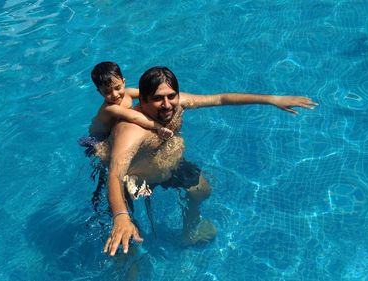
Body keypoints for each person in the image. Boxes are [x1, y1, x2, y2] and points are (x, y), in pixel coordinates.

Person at [100, 66, 318, 256]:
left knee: (201, 189)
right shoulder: (131, 131)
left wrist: (272, 99)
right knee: (126, 237)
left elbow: (220, 98)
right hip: (133, 177)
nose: (167, 105)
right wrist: (121, 216)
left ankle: (189, 232)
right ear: (144, 99)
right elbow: (115, 174)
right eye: (158, 99)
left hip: (163, 162)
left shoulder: (178, 104)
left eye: (171, 96)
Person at [83, 61, 173, 149]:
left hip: (114, 128)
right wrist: (159, 127)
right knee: (102, 157)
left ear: (123, 82)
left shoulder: (128, 93)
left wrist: (168, 96)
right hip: (99, 138)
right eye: (107, 92)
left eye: (117, 88)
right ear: (100, 92)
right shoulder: (109, 108)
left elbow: (148, 94)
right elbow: (134, 117)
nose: (115, 94)